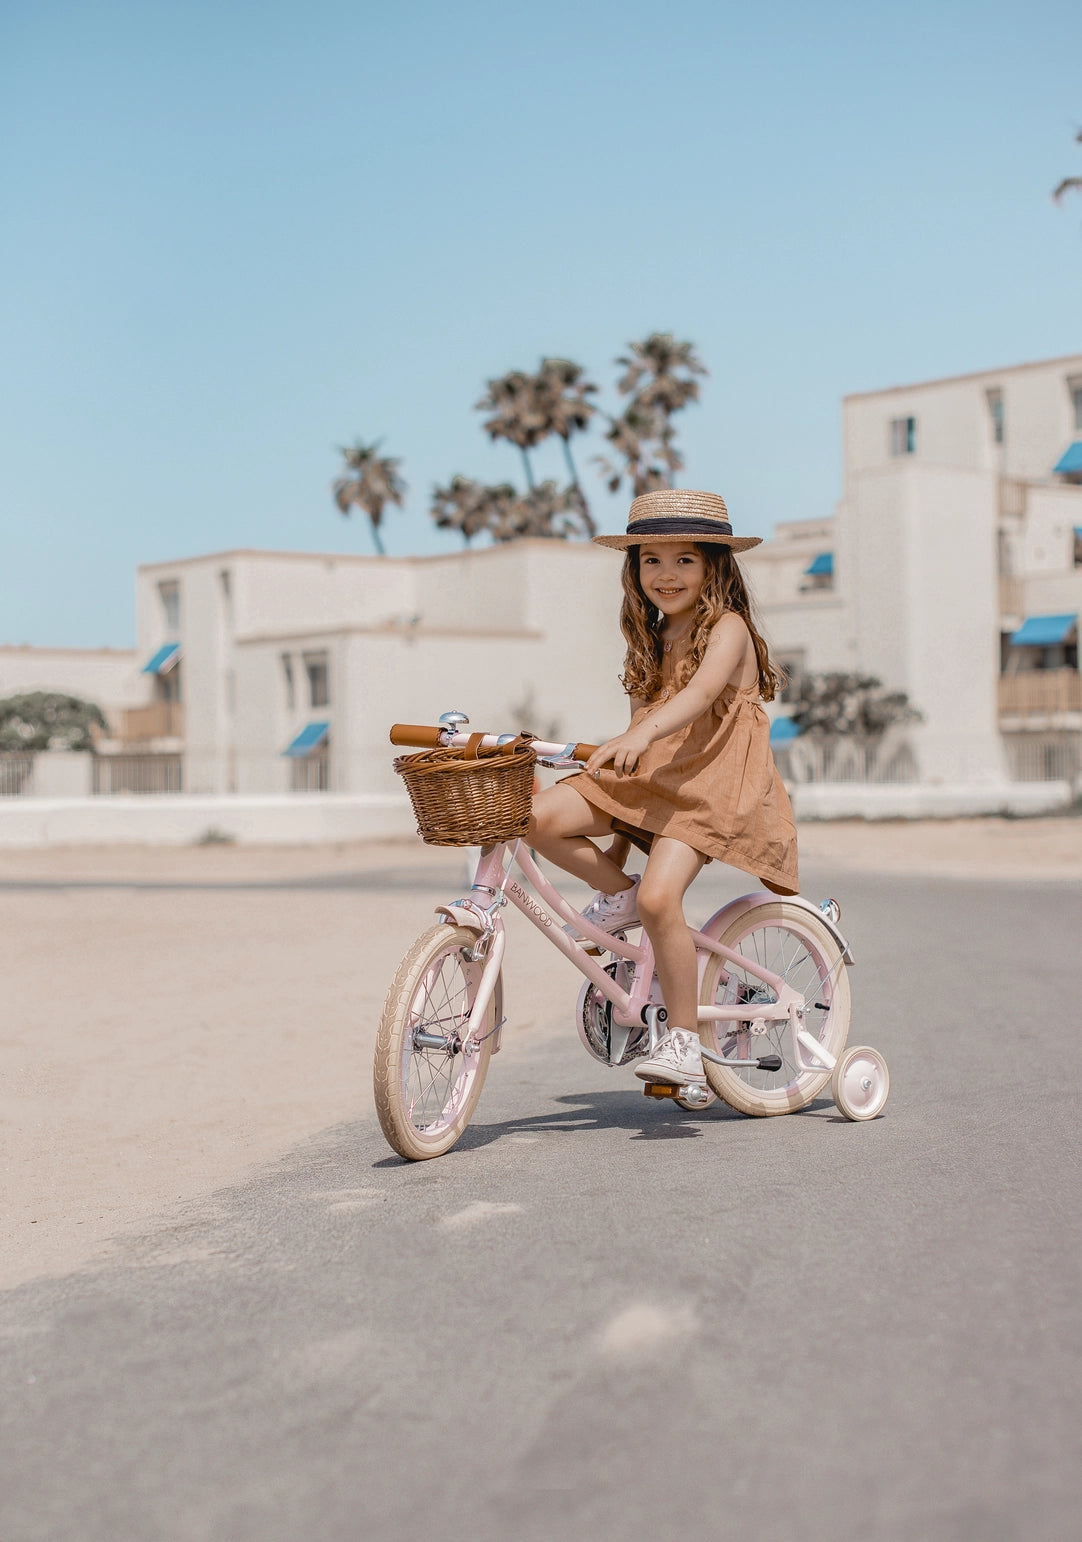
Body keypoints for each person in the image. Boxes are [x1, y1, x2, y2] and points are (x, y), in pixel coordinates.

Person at [526, 487, 798, 1089]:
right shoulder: (649, 638)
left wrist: (637, 737)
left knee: (659, 902)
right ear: (635, 569)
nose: (667, 574)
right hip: (660, 776)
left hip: (711, 784)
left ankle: (684, 1043)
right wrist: (620, 830)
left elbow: (699, 698)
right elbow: (637, 741)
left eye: (684, 560)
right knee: (534, 816)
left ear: (713, 566)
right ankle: (620, 893)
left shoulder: (727, 628)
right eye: (652, 560)